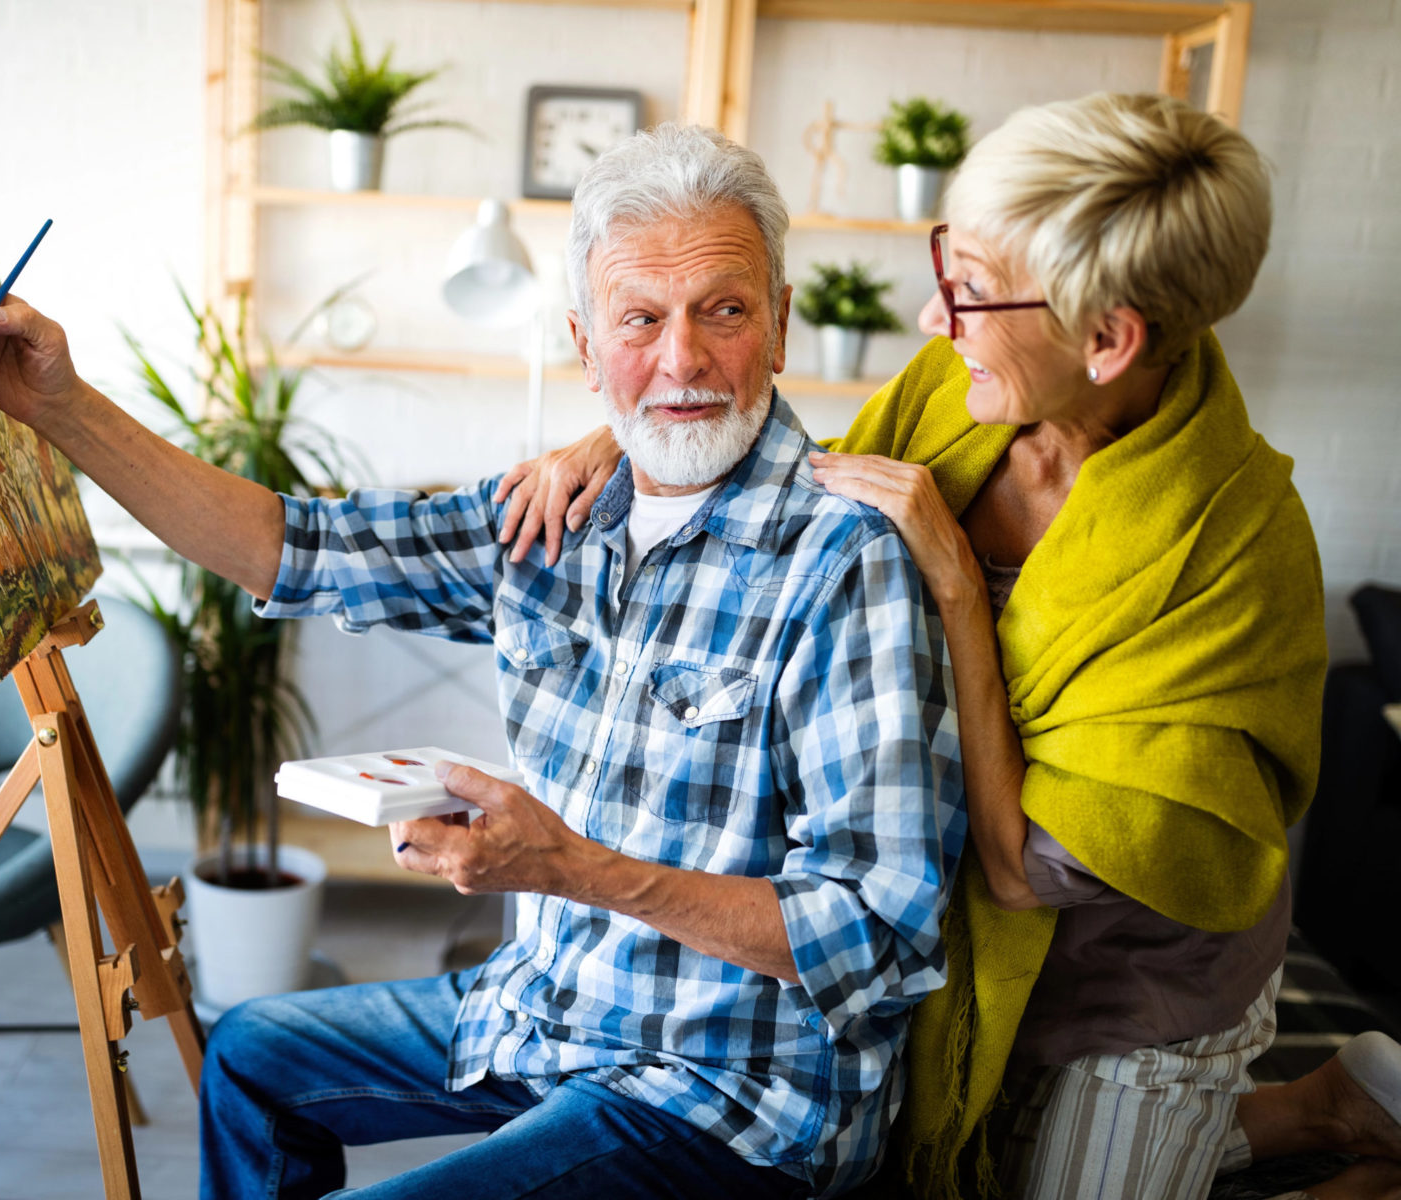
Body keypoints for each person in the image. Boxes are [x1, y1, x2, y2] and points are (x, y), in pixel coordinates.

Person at [0, 124, 966, 1199]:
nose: (682, 359)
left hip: (730, 1097)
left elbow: (879, 934)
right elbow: (294, 547)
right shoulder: (555, 514)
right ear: (585, 345)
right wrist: (59, 406)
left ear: (781, 324)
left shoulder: (843, 561)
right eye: (641, 319)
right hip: (552, 1012)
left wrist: (573, 870)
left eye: (724, 310)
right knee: (247, 1055)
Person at [495, 92, 1401, 1200]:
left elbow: (1019, 873)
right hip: (954, 919)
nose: (935, 313)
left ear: (1108, 341)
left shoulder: (1235, 549)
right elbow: (787, 481)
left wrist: (961, 592)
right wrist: (622, 432)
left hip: (1130, 972)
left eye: (971, 287)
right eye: (948, 262)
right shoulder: (961, 388)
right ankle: (1320, 1109)